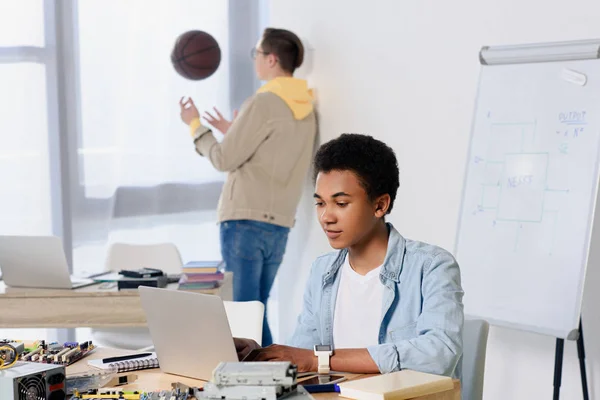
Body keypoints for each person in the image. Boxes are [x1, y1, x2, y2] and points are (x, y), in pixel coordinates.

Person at [234, 134, 464, 377]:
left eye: (341, 203)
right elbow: (303, 353)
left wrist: (318, 359)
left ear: (380, 205)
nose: (326, 217)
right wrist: (261, 355)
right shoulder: (322, 270)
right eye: (320, 203)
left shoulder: (432, 266)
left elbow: (440, 353)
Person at [179, 28, 317, 346]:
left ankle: (261, 385)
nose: (254, 60)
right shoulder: (305, 108)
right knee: (256, 312)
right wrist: (235, 130)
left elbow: (223, 159)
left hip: (243, 221)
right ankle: (279, 383)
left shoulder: (264, 101)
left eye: (257, 54)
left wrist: (195, 125)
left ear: (271, 59)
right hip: (279, 225)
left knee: (242, 318)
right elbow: (275, 154)